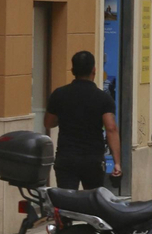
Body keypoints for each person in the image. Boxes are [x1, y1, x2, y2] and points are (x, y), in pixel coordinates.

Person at [44, 51, 122, 190]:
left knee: (66, 202)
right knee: (93, 201)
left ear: (73, 70)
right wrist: (117, 163)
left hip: (66, 158)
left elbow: (48, 123)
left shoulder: (59, 94)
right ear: (94, 70)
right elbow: (111, 128)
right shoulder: (103, 98)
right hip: (93, 159)